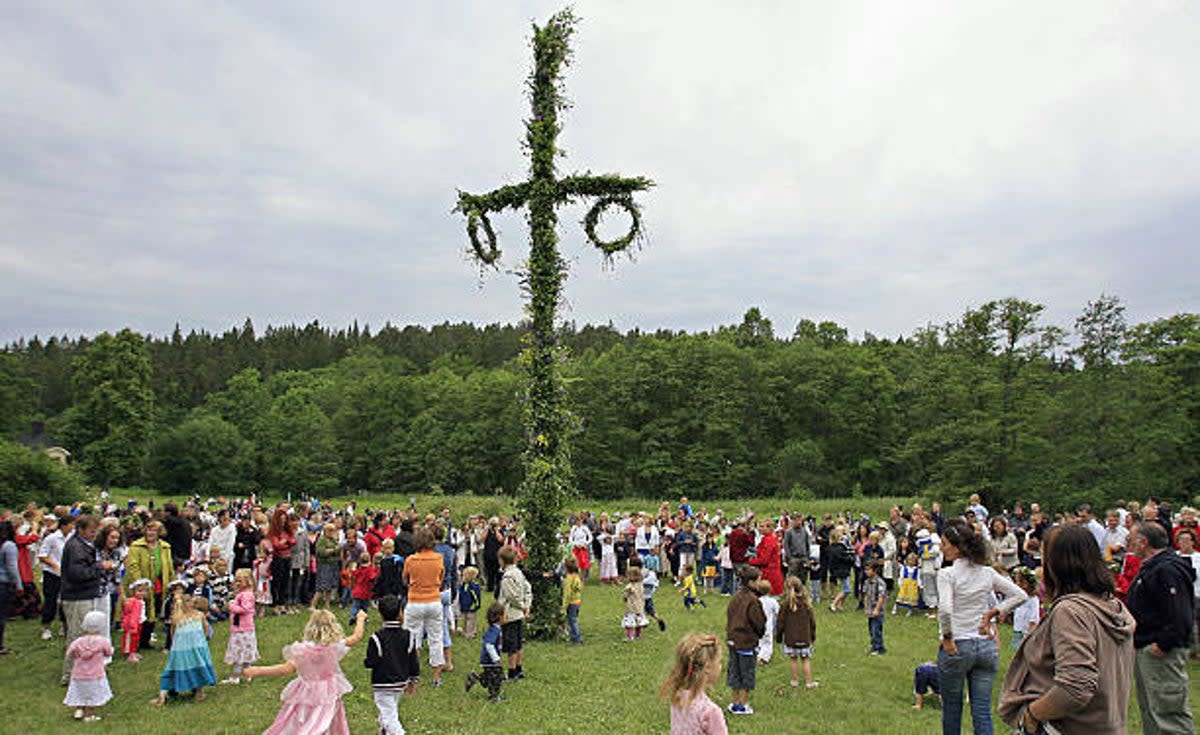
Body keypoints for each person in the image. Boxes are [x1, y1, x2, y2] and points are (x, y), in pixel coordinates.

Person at [999, 524, 1135, 735]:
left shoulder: (1071, 612)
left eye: (1045, 556)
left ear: (1057, 563)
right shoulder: (1111, 605)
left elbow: (1076, 686)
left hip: (1066, 728)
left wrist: (1033, 715)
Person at [936, 518, 1028, 735]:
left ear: (957, 548)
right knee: (982, 710)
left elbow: (946, 609)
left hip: (959, 644)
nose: (942, 547)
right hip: (985, 646)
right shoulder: (986, 573)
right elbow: (1020, 595)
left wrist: (947, 637)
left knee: (952, 708)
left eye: (945, 543)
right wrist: (996, 612)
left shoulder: (947, 574)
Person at [245, 609, 368, 735]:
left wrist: (258, 670)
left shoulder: (302, 650)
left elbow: (285, 669)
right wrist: (360, 619)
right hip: (329, 688)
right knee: (328, 714)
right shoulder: (334, 646)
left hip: (306, 688)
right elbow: (356, 637)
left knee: (301, 714)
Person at [1125, 521, 1196, 735]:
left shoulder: (1167, 570)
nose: (1128, 543)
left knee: (1168, 710)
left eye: (1132, 539)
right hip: (1146, 645)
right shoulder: (1152, 568)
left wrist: (1163, 643)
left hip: (1160, 650)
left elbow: (1180, 613)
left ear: (1144, 542)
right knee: (1152, 709)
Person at [59, 515, 114, 685]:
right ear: (80, 530)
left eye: (96, 530)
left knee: (84, 635)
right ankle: (69, 675)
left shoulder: (83, 545)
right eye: (91, 531)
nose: (94, 534)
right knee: (77, 635)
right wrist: (100, 567)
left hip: (84, 595)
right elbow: (78, 574)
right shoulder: (76, 547)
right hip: (77, 596)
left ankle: (84, 670)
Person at [364, 594, 420, 735]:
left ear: (381, 614)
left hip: (382, 683)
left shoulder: (376, 637)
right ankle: (383, 731)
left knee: (389, 714)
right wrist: (413, 680)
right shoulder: (409, 636)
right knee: (390, 709)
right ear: (400, 613)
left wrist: (366, 662)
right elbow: (413, 661)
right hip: (401, 682)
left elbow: (371, 661)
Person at [152, 594, 217, 705]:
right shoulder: (199, 615)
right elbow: (206, 628)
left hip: (179, 650)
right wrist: (204, 640)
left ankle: (163, 695)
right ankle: (198, 692)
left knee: (172, 669)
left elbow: (172, 634)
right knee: (198, 668)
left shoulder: (176, 619)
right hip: (197, 647)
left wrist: (175, 646)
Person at [401, 528, 445, 686]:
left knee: (412, 637)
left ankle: (412, 673)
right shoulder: (439, 558)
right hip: (434, 600)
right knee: (436, 638)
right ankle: (437, 677)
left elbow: (405, 579)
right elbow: (441, 578)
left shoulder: (411, 560)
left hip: (415, 601)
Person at [661, 632, 727, 735]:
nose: (721, 666)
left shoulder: (678, 697)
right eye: (719, 662)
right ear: (708, 667)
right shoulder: (710, 712)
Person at [124, 520, 174, 651]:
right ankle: (136, 642)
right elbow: (132, 566)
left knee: (154, 611)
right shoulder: (136, 546)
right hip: (141, 585)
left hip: (159, 583)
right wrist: (140, 584)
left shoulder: (165, 547)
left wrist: (172, 583)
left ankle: (145, 641)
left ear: (159, 533)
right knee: (141, 612)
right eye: (148, 529)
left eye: (154, 530)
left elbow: (169, 567)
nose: (151, 533)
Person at [725, 566, 766, 716]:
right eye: (759, 580)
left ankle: (734, 702)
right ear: (751, 582)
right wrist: (759, 635)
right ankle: (742, 705)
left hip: (733, 640)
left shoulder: (735, 597)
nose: (760, 582)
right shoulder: (753, 601)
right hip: (746, 642)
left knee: (734, 671)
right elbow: (759, 622)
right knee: (746, 673)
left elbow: (729, 616)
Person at [63, 610, 113, 722]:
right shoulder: (102, 641)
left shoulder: (78, 641)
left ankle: (78, 710)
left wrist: (77, 655)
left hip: (78, 673)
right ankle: (88, 715)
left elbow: (69, 653)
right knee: (92, 694)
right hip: (95, 674)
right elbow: (109, 652)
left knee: (79, 691)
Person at [775, 576, 817, 689]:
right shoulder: (807, 604)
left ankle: (794, 681)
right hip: (805, 637)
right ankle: (809, 682)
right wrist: (812, 636)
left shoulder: (785, 605)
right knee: (805, 659)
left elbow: (780, 622)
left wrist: (778, 636)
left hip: (790, 639)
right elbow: (813, 623)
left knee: (793, 659)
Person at [497, 544, 532, 680]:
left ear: (502, 560)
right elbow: (528, 589)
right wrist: (527, 606)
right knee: (518, 643)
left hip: (510, 615)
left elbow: (511, 597)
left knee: (511, 644)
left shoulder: (507, 577)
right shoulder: (519, 573)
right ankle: (519, 668)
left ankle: (512, 672)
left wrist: (523, 606)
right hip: (519, 615)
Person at [222, 568, 259, 684]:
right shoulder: (242, 594)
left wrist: (232, 606)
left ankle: (235, 677)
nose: (237, 583)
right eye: (236, 581)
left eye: (240, 581)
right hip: (242, 628)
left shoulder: (246, 595)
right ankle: (247, 675)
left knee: (239, 654)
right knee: (244, 653)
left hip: (242, 629)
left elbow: (245, 609)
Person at [38, 513, 72, 640]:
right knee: (50, 600)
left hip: (66, 574)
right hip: (52, 574)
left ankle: (64, 626)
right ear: (64, 525)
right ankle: (46, 628)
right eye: (71, 524)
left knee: (65, 600)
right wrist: (54, 565)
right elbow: (42, 555)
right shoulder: (52, 538)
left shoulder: (70, 538)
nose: (72, 527)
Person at [465, 602, 506, 702]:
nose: (506, 616)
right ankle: (494, 696)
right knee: (497, 678)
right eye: (505, 614)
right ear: (500, 617)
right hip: (490, 660)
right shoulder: (494, 631)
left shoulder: (495, 628)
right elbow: (489, 645)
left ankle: (474, 677)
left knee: (489, 676)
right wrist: (496, 659)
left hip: (487, 660)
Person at [1009, 566, 1041, 649]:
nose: (1017, 585)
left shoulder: (1033, 600)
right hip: (1017, 630)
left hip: (1026, 632)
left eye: (1019, 582)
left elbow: (1034, 618)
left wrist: (1029, 633)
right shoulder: (1019, 598)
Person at [0, 520, 19, 654]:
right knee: (1, 616)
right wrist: (18, 584)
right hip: (3, 582)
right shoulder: (9, 546)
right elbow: (12, 567)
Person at [121, 578, 150, 662]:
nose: (142, 593)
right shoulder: (133, 601)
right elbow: (129, 612)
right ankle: (130, 653)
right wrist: (132, 624)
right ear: (134, 592)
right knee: (131, 639)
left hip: (139, 623)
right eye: (139, 591)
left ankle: (133, 651)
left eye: (144, 591)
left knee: (136, 639)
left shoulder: (141, 601)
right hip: (132, 624)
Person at [863, 559, 887, 655]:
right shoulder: (867, 582)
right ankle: (874, 645)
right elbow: (865, 595)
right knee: (871, 629)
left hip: (878, 611)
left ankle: (879, 648)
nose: (867, 572)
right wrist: (865, 607)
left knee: (876, 629)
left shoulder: (880, 582)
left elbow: (881, 597)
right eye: (866, 570)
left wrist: (877, 609)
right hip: (870, 610)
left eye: (869, 570)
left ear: (875, 570)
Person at [754, 579, 779, 665]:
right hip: (768, 625)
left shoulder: (756, 600)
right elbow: (778, 612)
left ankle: (757, 653)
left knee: (759, 641)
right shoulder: (772, 601)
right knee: (768, 643)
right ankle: (761, 658)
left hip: (757, 624)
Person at [622, 566, 649, 640]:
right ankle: (638, 635)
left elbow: (625, 596)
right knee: (638, 621)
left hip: (632, 607)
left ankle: (630, 636)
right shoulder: (640, 585)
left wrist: (624, 597)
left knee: (629, 623)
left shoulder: (629, 586)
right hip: (640, 606)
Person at [561, 556, 583, 644]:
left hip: (571, 602)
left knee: (572, 620)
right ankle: (576, 636)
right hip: (577, 601)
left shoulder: (568, 579)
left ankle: (576, 638)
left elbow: (567, 593)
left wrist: (563, 606)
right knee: (574, 619)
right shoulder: (577, 576)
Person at [893, 551, 921, 616]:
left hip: (912, 586)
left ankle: (910, 610)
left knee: (911, 598)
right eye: (910, 560)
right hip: (905, 585)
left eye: (913, 561)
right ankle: (895, 609)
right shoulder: (904, 568)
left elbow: (918, 578)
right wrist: (900, 583)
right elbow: (901, 576)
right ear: (907, 560)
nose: (911, 562)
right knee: (901, 596)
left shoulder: (917, 569)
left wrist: (920, 585)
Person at [458, 566, 482, 638]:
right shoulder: (474, 586)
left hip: (464, 606)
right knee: (471, 620)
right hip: (472, 606)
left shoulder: (463, 585)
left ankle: (466, 631)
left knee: (466, 619)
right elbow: (476, 597)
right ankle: (470, 633)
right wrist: (477, 605)